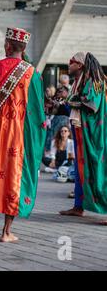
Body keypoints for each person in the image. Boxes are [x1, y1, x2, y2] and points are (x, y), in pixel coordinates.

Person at [0, 28, 46, 242]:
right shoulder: (32, 73)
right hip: (18, 135)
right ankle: (6, 232)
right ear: (23, 49)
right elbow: (37, 113)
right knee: (14, 178)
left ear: (7, 45)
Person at [58, 52, 107, 223]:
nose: (69, 64)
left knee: (98, 170)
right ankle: (79, 206)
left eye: (71, 62)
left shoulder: (95, 81)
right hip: (80, 130)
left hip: (94, 135)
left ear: (79, 64)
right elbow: (74, 105)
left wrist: (69, 101)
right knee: (80, 171)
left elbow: (91, 106)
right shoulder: (78, 82)